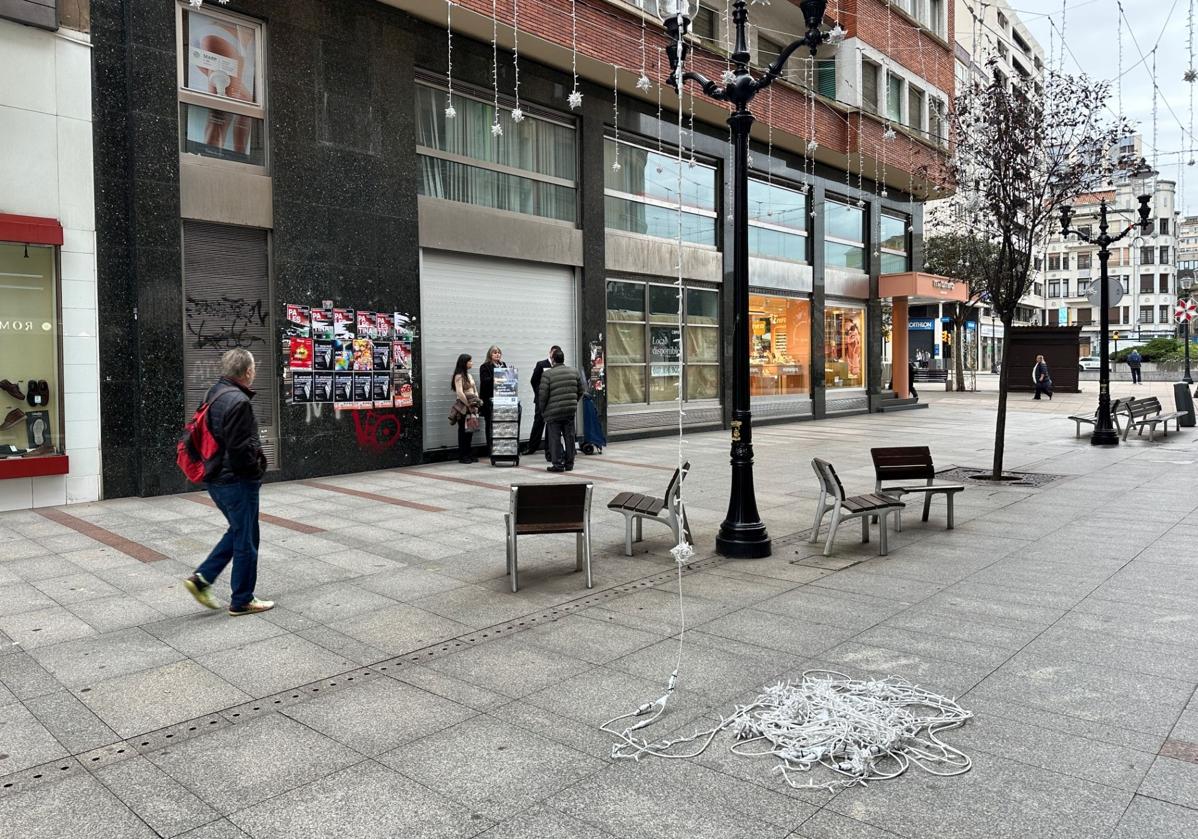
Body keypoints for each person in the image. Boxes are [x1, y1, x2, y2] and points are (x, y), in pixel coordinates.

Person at [183, 349, 274, 616]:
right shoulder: (239, 402)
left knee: (237, 531)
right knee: (246, 539)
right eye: (254, 368)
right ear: (247, 372)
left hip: (216, 478)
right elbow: (239, 449)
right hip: (236, 482)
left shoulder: (215, 393)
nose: (254, 372)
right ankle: (242, 599)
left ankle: (202, 580)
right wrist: (255, 471)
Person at [537, 347, 584, 472]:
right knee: (570, 437)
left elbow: (543, 396)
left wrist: (543, 410)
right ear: (563, 359)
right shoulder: (574, 372)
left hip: (553, 413)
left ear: (552, 360)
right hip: (569, 411)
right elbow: (581, 391)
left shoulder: (547, 374)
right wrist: (573, 402)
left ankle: (557, 464)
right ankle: (569, 464)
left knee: (555, 438)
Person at [524, 345, 559, 459]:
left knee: (551, 424)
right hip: (541, 399)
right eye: (553, 353)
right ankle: (532, 447)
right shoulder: (541, 364)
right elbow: (533, 380)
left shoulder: (558, 366)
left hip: (553, 400)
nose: (554, 356)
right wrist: (539, 394)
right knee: (538, 423)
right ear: (550, 353)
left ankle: (549, 449)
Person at [451, 354, 480, 464]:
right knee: (463, 430)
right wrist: (468, 404)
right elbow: (460, 392)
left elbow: (475, 389)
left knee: (470, 430)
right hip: (463, 405)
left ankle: (469, 453)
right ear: (464, 363)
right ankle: (463, 455)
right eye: (470, 361)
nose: (472, 363)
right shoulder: (459, 376)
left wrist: (476, 401)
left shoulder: (469, 375)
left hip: (472, 404)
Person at [478, 345, 506, 452]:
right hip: (490, 401)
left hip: (502, 398)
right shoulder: (484, 367)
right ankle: (491, 449)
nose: (497, 354)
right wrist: (498, 374)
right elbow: (484, 382)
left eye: (499, 352)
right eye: (495, 352)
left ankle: (501, 447)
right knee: (490, 425)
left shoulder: (503, 365)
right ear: (490, 354)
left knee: (501, 424)